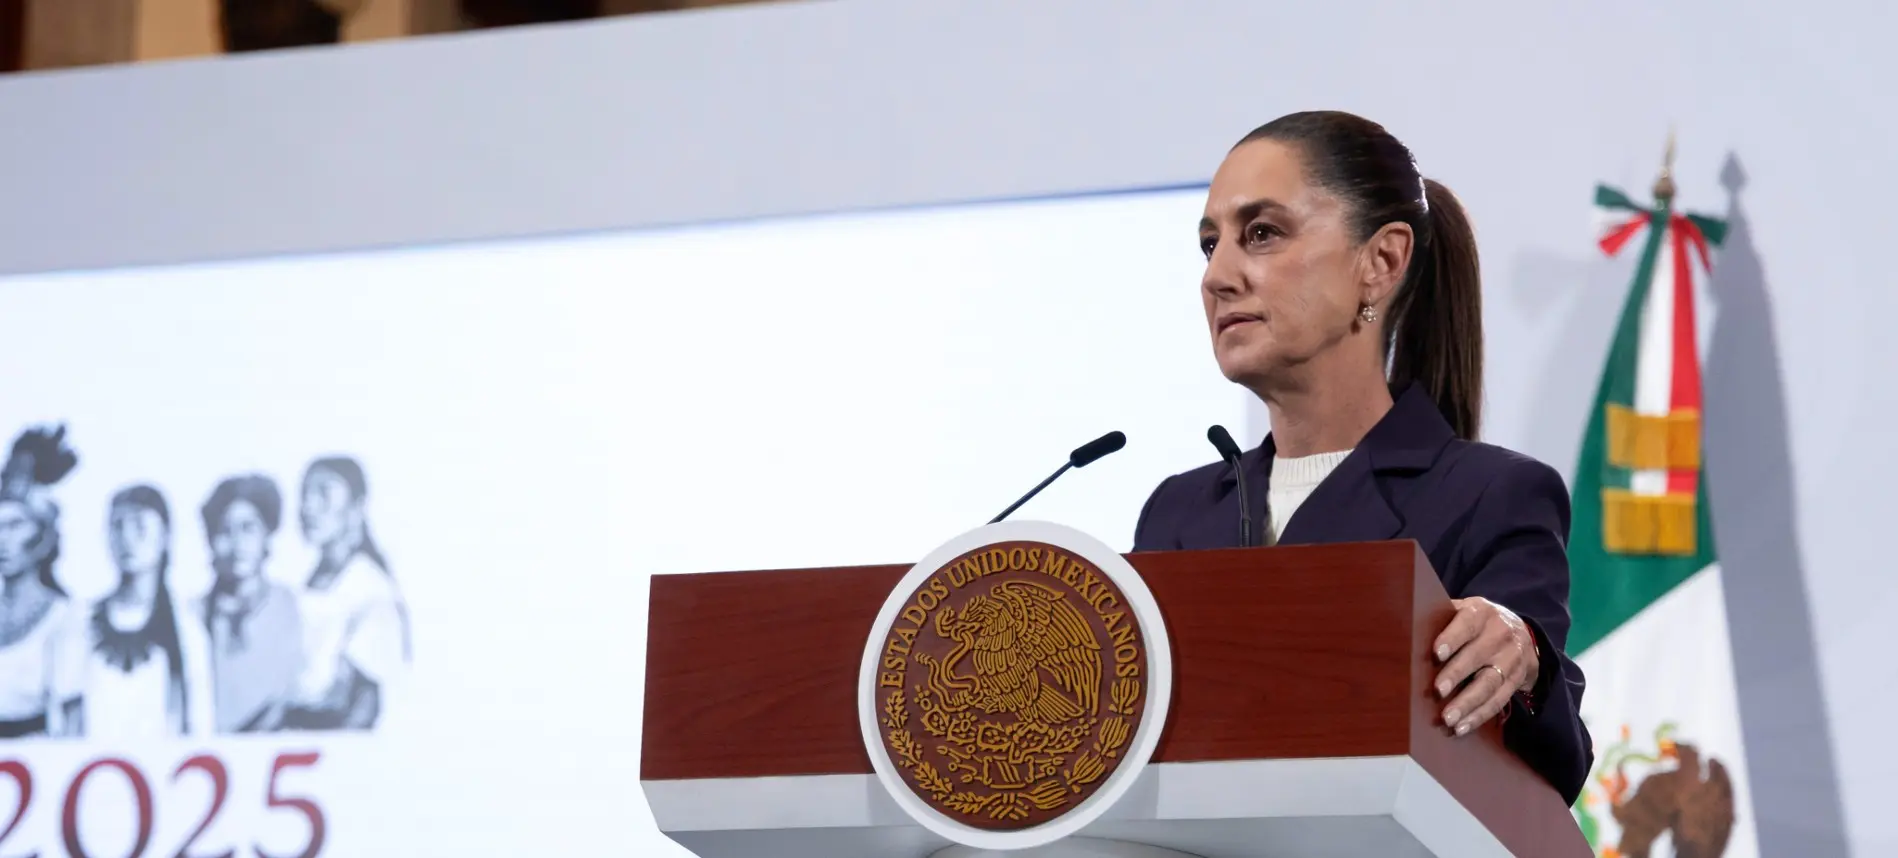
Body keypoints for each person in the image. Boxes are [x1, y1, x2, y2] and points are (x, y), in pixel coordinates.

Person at [1132, 111, 1591, 803]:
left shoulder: (1490, 495)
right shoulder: (1178, 514)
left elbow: (1548, 769)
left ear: (1381, 263)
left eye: (1261, 233)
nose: (1217, 276)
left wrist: (1524, 658)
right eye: (1209, 245)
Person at [74, 485, 214, 739]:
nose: (127, 539)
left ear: (165, 536)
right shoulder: (82, 621)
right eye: (118, 526)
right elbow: (66, 717)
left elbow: (200, 722)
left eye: (140, 527)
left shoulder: (187, 627)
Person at [282, 456, 408, 731]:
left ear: (356, 506)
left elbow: (365, 701)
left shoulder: (369, 587)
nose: (309, 507)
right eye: (305, 495)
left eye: (323, 494)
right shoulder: (312, 582)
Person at [198, 474, 303, 733]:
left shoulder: (292, 607)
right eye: (225, 531)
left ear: (267, 535)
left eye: (248, 528)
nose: (237, 544)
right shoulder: (194, 616)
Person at [0, 426, 84, 738]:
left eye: (15, 525)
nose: (4, 540)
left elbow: (72, 723)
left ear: (41, 536)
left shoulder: (64, 617)